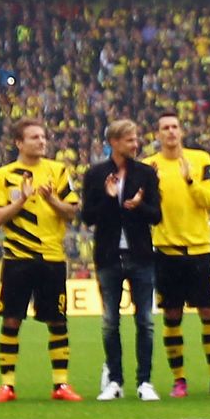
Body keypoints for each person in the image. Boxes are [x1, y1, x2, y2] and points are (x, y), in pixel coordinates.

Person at [0, 118, 82, 402]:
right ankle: (7, 385)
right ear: (19, 142)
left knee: (57, 321)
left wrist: (51, 200)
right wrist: (21, 201)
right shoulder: (4, 175)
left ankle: (61, 385)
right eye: (34, 137)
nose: (41, 141)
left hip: (52, 257)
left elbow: (71, 212)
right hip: (18, 257)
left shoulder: (58, 170)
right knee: (12, 319)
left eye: (43, 137)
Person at [146, 112, 210, 398]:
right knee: (172, 315)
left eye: (174, 127)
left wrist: (191, 181)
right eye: (164, 128)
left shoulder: (201, 159)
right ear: (158, 135)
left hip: (198, 250)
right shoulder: (149, 166)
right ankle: (178, 380)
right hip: (166, 251)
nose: (170, 132)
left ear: (181, 132)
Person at [79, 119, 163, 401]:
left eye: (135, 139)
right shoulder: (95, 175)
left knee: (145, 321)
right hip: (108, 257)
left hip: (141, 256)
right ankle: (114, 381)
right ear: (114, 142)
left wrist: (139, 206)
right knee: (110, 321)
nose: (135, 144)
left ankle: (145, 381)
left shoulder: (146, 174)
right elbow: (87, 217)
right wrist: (107, 197)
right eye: (129, 139)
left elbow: (156, 215)